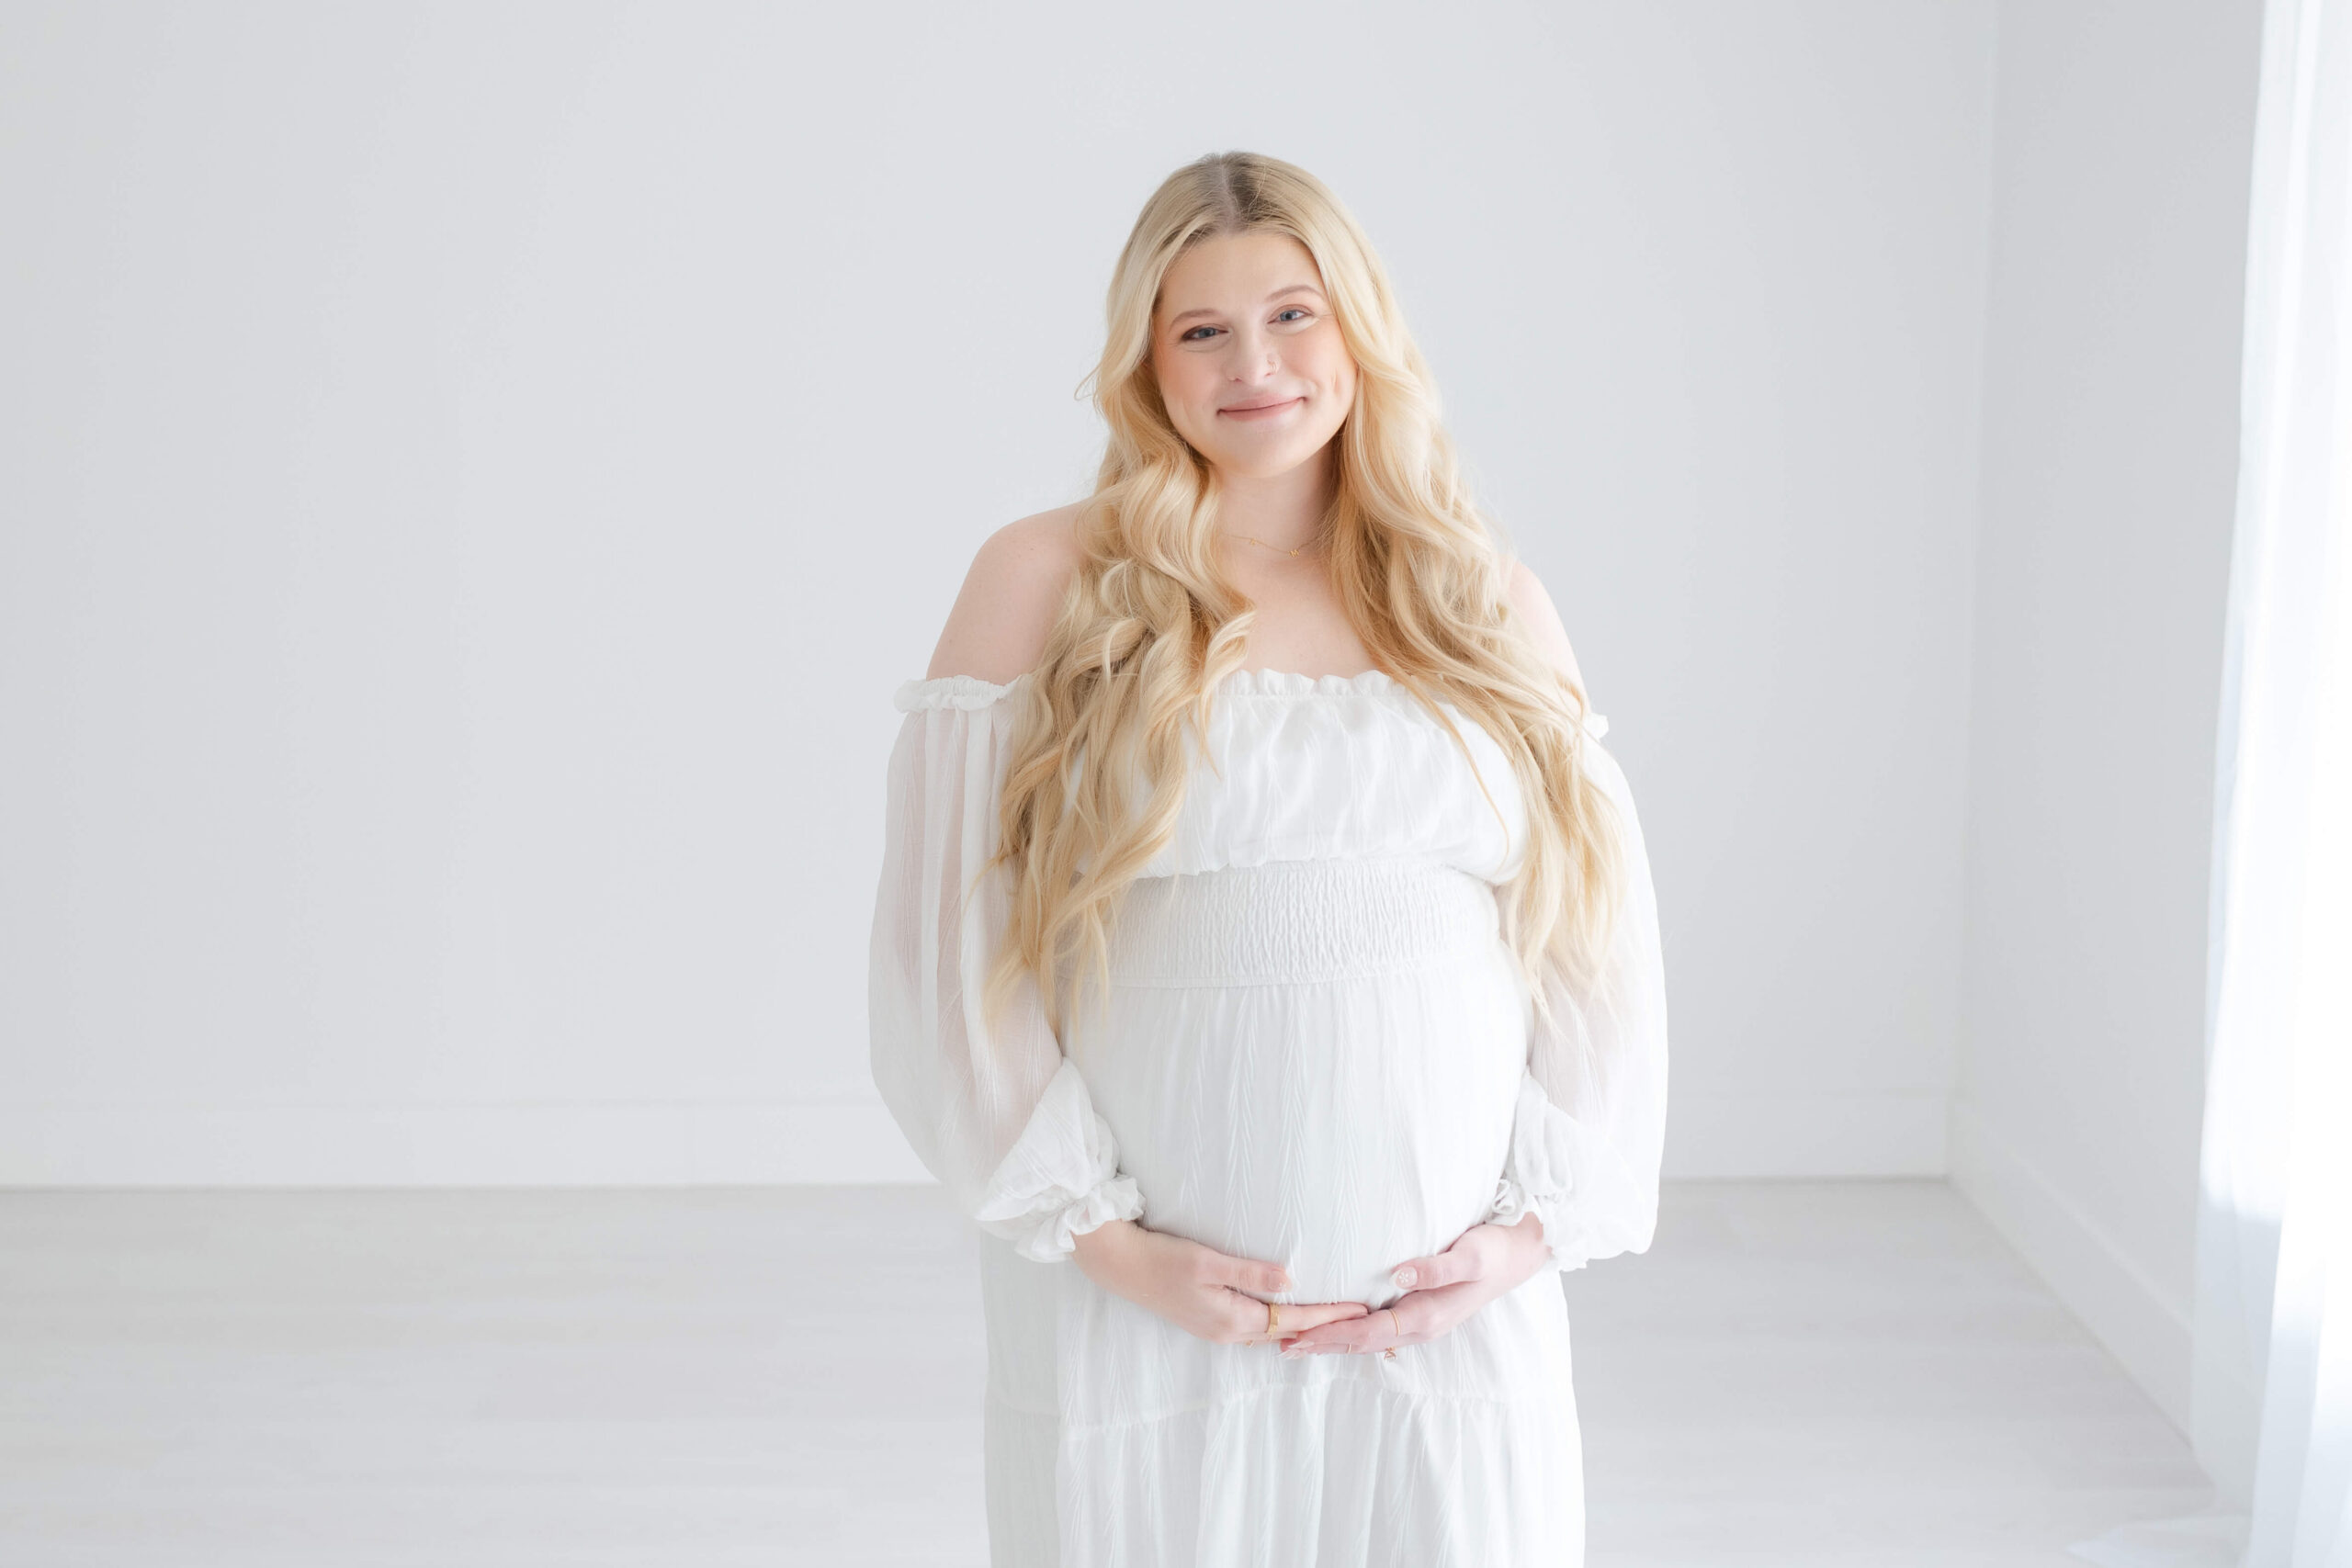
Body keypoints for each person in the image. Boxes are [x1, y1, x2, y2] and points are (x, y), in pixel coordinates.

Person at [867, 150, 1669, 1566]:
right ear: (1147, 363)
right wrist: (1111, 1248)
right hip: (1144, 1319)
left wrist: (1523, 1241)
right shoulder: (1044, 582)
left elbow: (1591, 947)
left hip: (1446, 1322)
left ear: (1360, 328)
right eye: (1202, 330)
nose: (1257, 364)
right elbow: (950, 961)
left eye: (1294, 314)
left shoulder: (1483, 601)